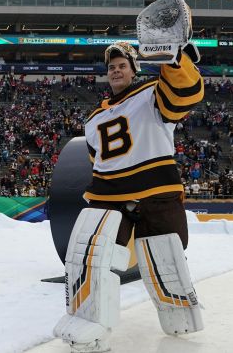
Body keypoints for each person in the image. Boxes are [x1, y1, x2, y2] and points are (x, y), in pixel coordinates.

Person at [55, 27, 204, 349]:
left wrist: (175, 61)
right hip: (108, 194)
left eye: (122, 65)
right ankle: (89, 321)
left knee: (167, 255)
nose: (116, 70)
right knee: (88, 255)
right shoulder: (94, 119)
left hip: (155, 189)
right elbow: (96, 158)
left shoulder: (153, 91)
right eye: (111, 67)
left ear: (134, 69)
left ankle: (180, 315)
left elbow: (186, 94)